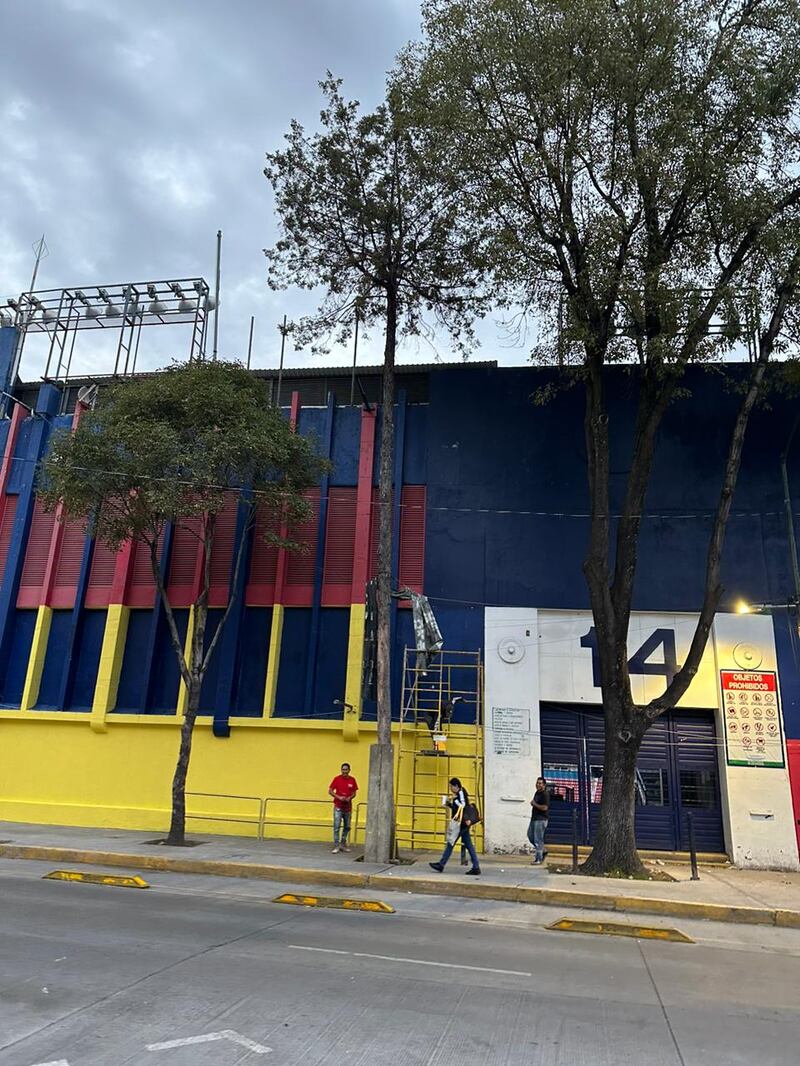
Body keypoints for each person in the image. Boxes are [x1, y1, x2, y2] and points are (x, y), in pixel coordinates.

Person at [429, 777, 481, 876]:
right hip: (463, 825)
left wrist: (452, 802)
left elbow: (462, 806)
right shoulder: (460, 793)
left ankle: (441, 864)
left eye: (451, 786)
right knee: (468, 846)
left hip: (460, 824)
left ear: (456, 786)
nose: (450, 788)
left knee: (450, 843)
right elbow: (458, 808)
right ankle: (476, 867)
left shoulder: (460, 794)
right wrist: (450, 804)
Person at [328, 762, 358, 853]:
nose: (344, 771)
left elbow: (354, 793)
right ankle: (336, 845)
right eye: (343, 769)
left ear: (349, 770)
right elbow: (330, 791)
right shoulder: (337, 779)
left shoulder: (352, 780)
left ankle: (343, 844)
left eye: (346, 769)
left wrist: (350, 797)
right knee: (336, 826)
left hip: (348, 807)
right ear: (341, 770)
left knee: (347, 827)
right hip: (338, 806)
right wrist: (338, 797)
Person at [528, 776, 549, 864]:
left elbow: (545, 807)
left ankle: (538, 859)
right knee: (530, 836)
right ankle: (543, 850)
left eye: (540, 783)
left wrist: (534, 804)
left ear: (544, 785)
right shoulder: (537, 793)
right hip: (534, 818)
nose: (538, 785)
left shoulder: (545, 794)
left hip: (541, 819)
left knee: (538, 839)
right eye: (537, 783)